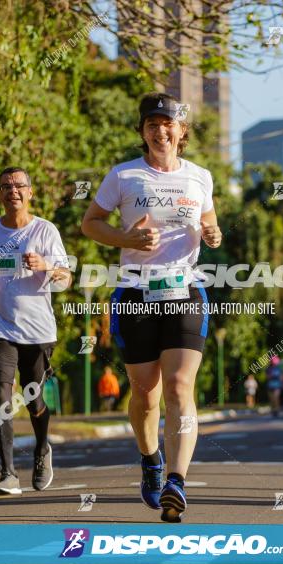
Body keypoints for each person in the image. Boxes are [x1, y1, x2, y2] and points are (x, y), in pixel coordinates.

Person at [82, 92, 222, 523]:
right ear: (143, 132)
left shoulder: (200, 177)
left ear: (182, 132)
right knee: (145, 393)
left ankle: (177, 481)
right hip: (135, 294)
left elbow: (209, 222)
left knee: (180, 387)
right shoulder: (124, 176)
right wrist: (127, 240)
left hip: (185, 291)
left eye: (168, 124)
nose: (160, 130)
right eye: (151, 124)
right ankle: (151, 458)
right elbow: (91, 223)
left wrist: (213, 233)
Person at [0, 166, 72, 496]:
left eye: (20, 185)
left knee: (33, 397)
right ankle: (8, 472)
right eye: (6, 186)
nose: (13, 190)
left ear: (30, 193)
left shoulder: (46, 231)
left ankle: (42, 448)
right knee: (0, 394)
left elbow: (66, 278)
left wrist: (47, 267)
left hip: (38, 331)